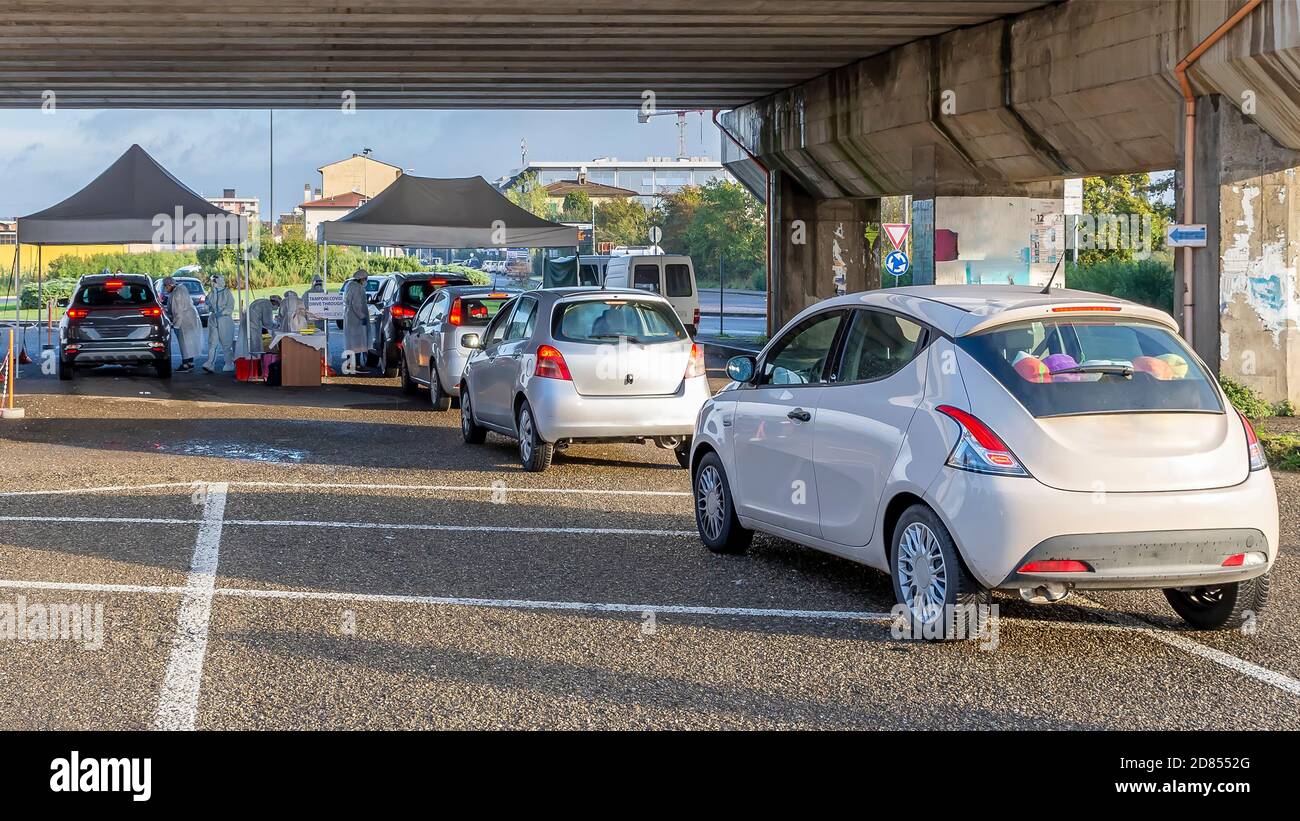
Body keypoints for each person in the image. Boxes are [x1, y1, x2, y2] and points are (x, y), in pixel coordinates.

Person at [162, 276, 202, 372]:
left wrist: (175, 325)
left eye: (166, 286)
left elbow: (177, 312)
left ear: (170, 285)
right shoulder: (182, 288)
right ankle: (190, 362)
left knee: (184, 343)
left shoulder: (176, 294)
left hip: (183, 321)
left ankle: (185, 365)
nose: (165, 288)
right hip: (191, 318)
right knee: (190, 342)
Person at [202, 274, 236, 373]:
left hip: (224, 320)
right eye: (212, 281)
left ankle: (229, 363)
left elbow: (230, 306)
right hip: (213, 318)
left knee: (226, 343)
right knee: (212, 342)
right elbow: (207, 304)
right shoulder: (212, 293)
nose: (212, 283)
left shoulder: (226, 293)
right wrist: (207, 306)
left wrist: (222, 312)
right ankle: (210, 363)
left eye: (214, 281)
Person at [343, 269, 370, 373]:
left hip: (349, 316)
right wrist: (362, 316)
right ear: (361, 279)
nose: (366, 281)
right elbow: (357, 305)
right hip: (356, 318)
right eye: (365, 279)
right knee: (358, 343)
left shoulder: (349, 286)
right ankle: (357, 365)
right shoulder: (358, 288)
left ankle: (350, 363)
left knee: (350, 342)